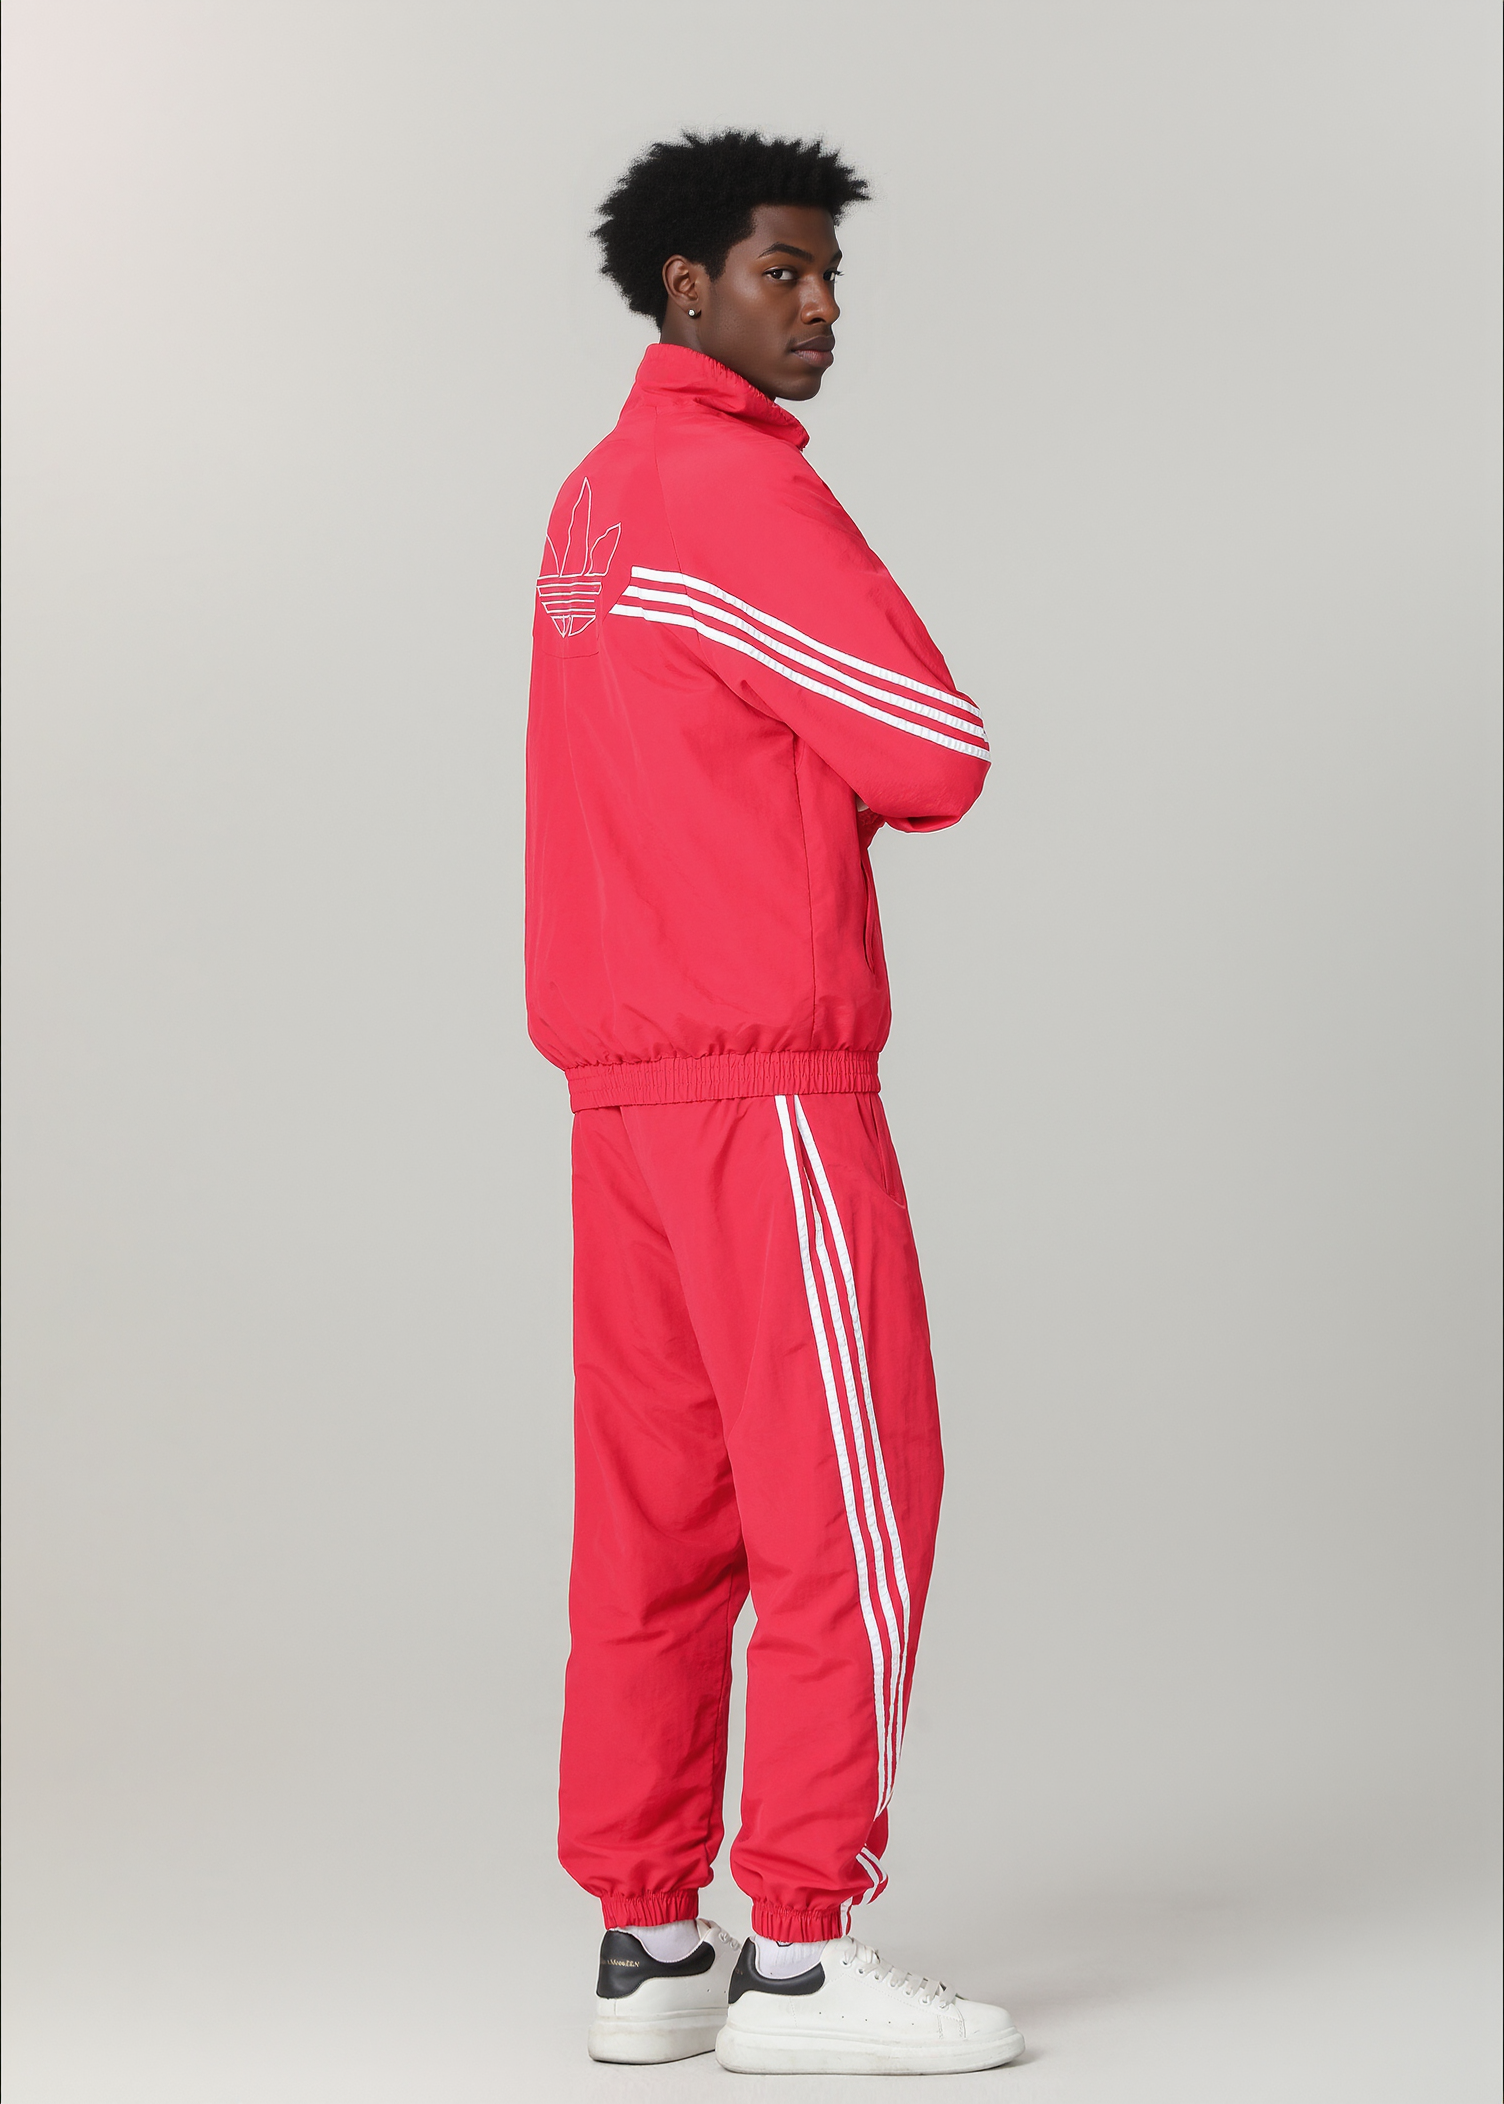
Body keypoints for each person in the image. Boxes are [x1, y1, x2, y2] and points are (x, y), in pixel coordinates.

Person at [524, 128, 1023, 2076]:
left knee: (658, 1524)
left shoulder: (591, 498)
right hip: (762, 1083)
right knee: (848, 1504)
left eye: (828, 276)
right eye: (782, 271)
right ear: (687, 288)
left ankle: (648, 1942)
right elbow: (936, 747)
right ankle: (802, 1956)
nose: (819, 309)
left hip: (620, 1093)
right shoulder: (734, 492)